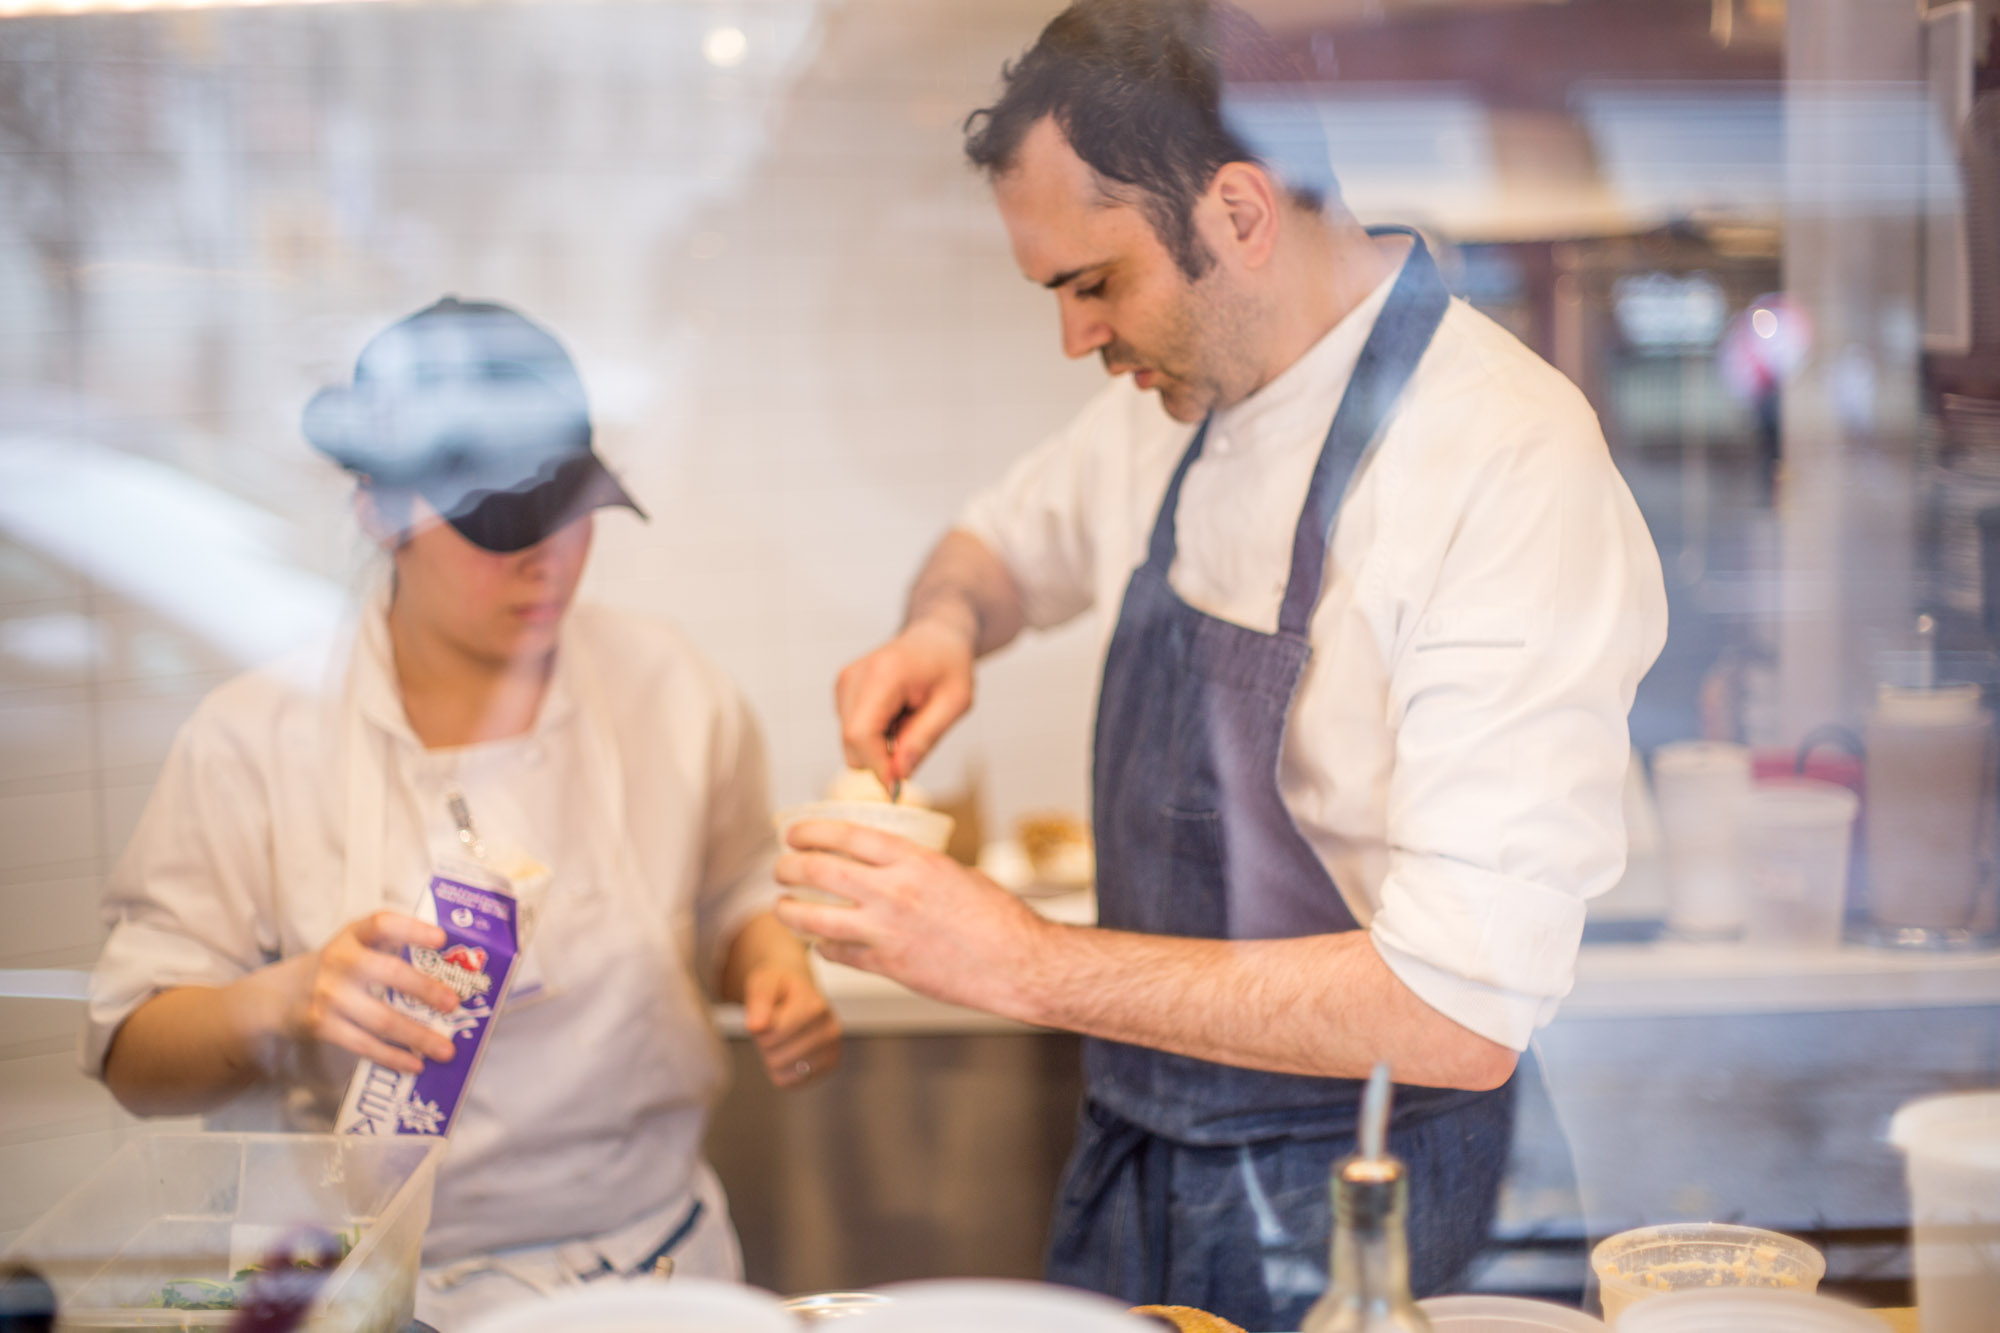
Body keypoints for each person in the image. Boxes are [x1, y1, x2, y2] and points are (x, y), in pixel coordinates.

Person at [775, 2, 1667, 1327]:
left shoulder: (1504, 461)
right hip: (1144, 1172)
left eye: (1093, 283)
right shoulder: (1176, 398)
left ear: (1240, 213)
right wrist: (944, 628)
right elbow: (997, 549)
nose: (1077, 339)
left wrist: (1020, 959)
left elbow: (1456, 1006)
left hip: (1377, 1208)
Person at [84, 298, 840, 1329]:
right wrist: (292, 997)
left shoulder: (670, 686)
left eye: (568, 511)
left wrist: (770, 964)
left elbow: (735, 890)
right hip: (377, 1289)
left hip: (656, 1270)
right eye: (496, 526)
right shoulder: (251, 737)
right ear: (378, 512)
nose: (547, 560)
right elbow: (134, 1052)